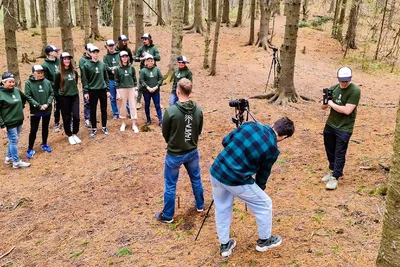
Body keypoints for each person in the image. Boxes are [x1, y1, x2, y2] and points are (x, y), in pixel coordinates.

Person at [210, 117, 295, 257]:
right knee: (265, 204)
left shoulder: (249, 125)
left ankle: (225, 245)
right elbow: (263, 174)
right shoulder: (273, 150)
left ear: (273, 124)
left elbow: (225, 141)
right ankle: (264, 241)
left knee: (222, 207)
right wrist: (258, 189)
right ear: (284, 137)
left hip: (217, 170)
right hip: (236, 180)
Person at [155, 78, 204, 223]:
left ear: (177, 91)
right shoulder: (198, 109)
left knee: (170, 184)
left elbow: (165, 132)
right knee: (196, 178)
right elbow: (199, 129)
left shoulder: (171, 111)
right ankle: (200, 204)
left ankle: (168, 215)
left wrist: (173, 142)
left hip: (175, 154)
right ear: (190, 92)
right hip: (192, 151)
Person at [321, 66, 361, 190]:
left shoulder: (355, 90)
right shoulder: (333, 88)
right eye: (342, 80)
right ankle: (333, 170)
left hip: (344, 127)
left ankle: (335, 177)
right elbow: (323, 107)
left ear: (350, 79)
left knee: (339, 152)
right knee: (330, 149)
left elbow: (347, 110)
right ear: (338, 78)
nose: (344, 83)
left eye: (346, 80)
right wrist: (325, 100)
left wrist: (331, 103)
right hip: (331, 124)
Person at [0, 72, 30, 168]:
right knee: (13, 140)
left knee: (14, 140)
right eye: (9, 82)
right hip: (9, 122)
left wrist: (21, 106)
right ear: (3, 82)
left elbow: (24, 98)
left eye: (13, 82)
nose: (12, 84)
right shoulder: (1, 94)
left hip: (19, 120)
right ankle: (16, 162)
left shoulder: (16, 90)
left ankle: (9, 157)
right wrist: (2, 125)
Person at [25, 65, 55, 158]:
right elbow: (28, 96)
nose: (40, 74)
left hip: (47, 109)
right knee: (34, 129)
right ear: (34, 73)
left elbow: (51, 93)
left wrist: (47, 103)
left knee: (45, 127)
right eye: (38, 73)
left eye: (41, 72)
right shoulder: (28, 83)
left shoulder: (47, 82)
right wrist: (38, 106)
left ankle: (44, 144)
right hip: (36, 110)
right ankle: (30, 148)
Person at [81, 45, 111, 138]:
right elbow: (85, 79)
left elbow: (106, 78)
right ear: (90, 53)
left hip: (102, 90)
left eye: (97, 52)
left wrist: (108, 90)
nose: (95, 54)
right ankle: (94, 128)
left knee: (104, 109)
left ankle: (104, 126)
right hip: (92, 91)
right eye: (93, 52)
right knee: (93, 110)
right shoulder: (86, 65)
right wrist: (86, 92)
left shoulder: (102, 65)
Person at [54, 52, 81, 145]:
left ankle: (75, 133)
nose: (67, 61)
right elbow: (56, 86)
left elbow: (75, 82)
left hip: (74, 96)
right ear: (61, 60)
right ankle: (69, 134)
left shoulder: (74, 71)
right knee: (66, 116)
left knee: (76, 116)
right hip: (64, 97)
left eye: (68, 59)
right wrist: (59, 97)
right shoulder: (58, 73)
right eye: (65, 59)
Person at [114, 51, 139, 133]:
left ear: (128, 57)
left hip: (131, 88)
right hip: (122, 89)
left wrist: (136, 90)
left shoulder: (131, 68)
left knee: (133, 106)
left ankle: (134, 124)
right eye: (123, 57)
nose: (124, 58)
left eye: (126, 56)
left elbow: (135, 80)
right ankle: (123, 123)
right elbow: (116, 81)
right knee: (122, 106)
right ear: (120, 58)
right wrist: (117, 92)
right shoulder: (117, 69)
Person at [134, 33, 161, 109]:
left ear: (149, 40)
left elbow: (158, 58)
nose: (144, 41)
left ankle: (158, 102)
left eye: (146, 39)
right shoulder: (141, 48)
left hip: (153, 69)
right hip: (143, 69)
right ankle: (138, 102)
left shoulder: (154, 48)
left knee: (156, 84)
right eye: (143, 39)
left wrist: (149, 56)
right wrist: (143, 58)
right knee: (140, 85)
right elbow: (135, 58)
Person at [139, 54, 163, 127]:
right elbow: (141, 80)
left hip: (155, 91)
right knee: (147, 105)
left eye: (151, 61)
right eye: (148, 61)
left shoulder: (157, 69)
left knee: (157, 105)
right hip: (146, 91)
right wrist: (147, 87)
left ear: (153, 61)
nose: (150, 62)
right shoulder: (143, 70)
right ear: (146, 62)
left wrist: (156, 86)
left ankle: (161, 120)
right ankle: (148, 119)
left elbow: (161, 78)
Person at [42, 44, 61, 132]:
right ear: (50, 53)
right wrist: (55, 84)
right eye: (55, 51)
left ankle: (69, 120)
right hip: (54, 89)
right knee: (57, 106)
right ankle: (57, 123)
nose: (57, 52)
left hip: (64, 87)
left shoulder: (59, 61)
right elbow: (45, 80)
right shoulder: (45, 65)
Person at [103, 39, 120, 120]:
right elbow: (105, 66)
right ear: (107, 47)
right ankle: (116, 113)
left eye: (112, 45)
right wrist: (111, 70)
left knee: (123, 96)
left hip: (119, 79)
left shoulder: (119, 54)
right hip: (111, 79)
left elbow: (121, 64)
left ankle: (128, 111)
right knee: (112, 97)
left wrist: (115, 69)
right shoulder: (105, 57)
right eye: (110, 46)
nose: (111, 47)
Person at [79, 43, 94, 128]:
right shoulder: (82, 60)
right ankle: (87, 119)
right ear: (86, 50)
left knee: (93, 102)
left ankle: (92, 117)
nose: (91, 52)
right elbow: (85, 72)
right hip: (87, 84)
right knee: (87, 102)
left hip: (95, 84)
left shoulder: (94, 58)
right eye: (89, 50)